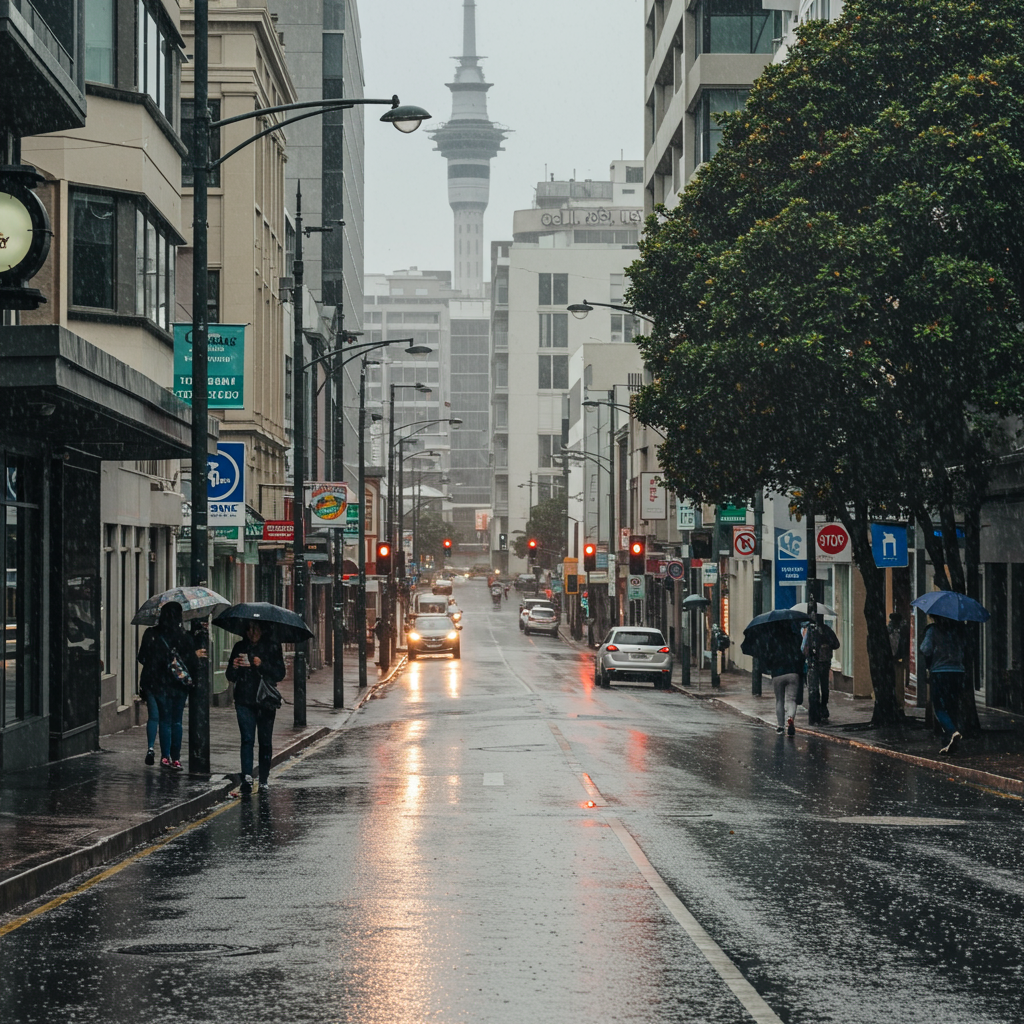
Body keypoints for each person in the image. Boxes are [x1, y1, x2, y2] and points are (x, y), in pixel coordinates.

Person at [137, 602, 203, 770]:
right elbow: (193, 663)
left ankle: (165, 757)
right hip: (179, 685)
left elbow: (142, 658)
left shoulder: (151, 633)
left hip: (159, 684)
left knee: (165, 721)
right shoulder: (185, 636)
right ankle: (176, 758)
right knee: (177, 722)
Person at [226, 621, 286, 795]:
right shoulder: (239, 646)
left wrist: (261, 664)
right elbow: (230, 675)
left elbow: (280, 673)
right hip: (244, 700)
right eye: (249, 629)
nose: (252, 633)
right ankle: (246, 777)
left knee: (265, 742)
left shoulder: (272, 647)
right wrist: (235, 667)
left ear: (262, 630)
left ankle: (264, 779)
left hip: (265, 701)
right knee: (247, 739)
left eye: (255, 629)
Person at [919, 614, 965, 755]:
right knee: (952, 707)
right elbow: (964, 650)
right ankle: (948, 743)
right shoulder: (958, 630)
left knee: (939, 707)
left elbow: (925, 649)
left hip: (940, 672)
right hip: (957, 672)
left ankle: (952, 732)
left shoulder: (933, 630)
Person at [764, 622, 805, 737]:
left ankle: (780, 726)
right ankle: (790, 718)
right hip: (793, 672)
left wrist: (769, 667)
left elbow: (768, 657)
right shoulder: (796, 637)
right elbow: (801, 654)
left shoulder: (773, 640)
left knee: (779, 700)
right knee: (791, 699)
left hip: (778, 673)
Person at [802, 619, 840, 724]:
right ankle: (823, 707)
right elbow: (836, 644)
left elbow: (804, 648)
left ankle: (816, 710)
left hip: (814, 664)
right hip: (825, 662)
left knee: (813, 688)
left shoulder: (810, 630)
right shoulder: (827, 630)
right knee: (824, 686)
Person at [888, 611, 910, 704]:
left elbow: (905, 646)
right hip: (892, 659)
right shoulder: (889, 631)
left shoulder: (903, 631)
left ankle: (899, 702)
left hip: (897, 659)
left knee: (898, 682)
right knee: (896, 682)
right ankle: (896, 701)